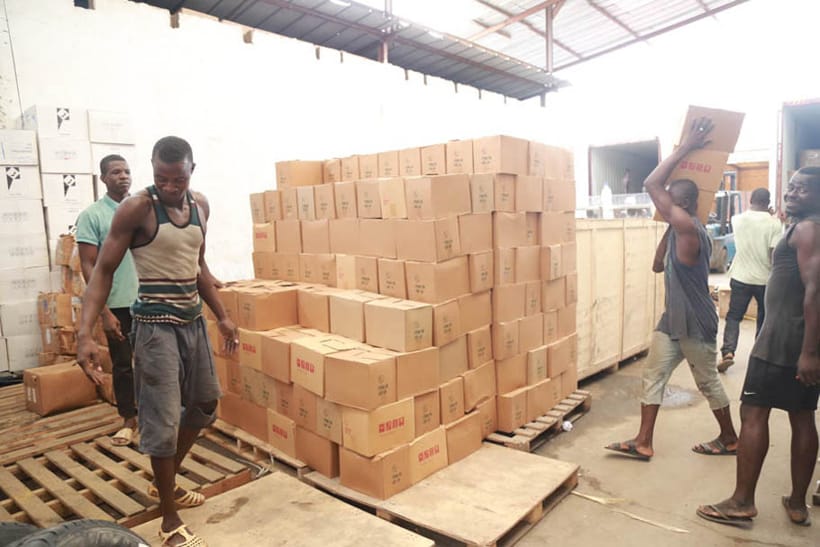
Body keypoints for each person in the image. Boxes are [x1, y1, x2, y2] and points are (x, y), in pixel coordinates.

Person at [77, 137, 238, 547]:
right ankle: (169, 521)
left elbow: (197, 266)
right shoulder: (138, 208)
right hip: (154, 328)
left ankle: (165, 481)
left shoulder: (201, 206)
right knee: (162, 421)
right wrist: (85, 332)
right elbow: (102, 271)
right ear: (151, 169)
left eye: (178, 179)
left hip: (192, 323)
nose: (169, 186)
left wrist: (222, 316)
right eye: (161, 178)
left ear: (191, 171)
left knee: (205, 404)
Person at [605, 117, 738, 460]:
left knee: (707, 382)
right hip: (672, 321)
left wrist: (687, 147)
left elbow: (652, 182)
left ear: (686, 206)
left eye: (671, 203)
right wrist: (668, 227)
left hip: (696, 322)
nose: (663, 206)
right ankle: (643, 441)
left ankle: (730, 438)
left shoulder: (690, 229)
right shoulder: (678, 230)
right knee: (653, 375)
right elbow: (656, 265)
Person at [697, 168, 820, 527]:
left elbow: (815, 291)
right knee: (802, 415)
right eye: (791, 187)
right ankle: (797, 504)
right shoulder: (802, 227)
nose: (791, 193)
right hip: (797, 340)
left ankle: (741, 501)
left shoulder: (808, 230)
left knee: (753, 412)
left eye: (802, 189)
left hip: (782, 341)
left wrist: (809, 353)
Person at [76, 155, 139, 446]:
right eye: (115, 172)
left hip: (149, 302)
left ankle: (158, 416)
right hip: (117, 304)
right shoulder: (93, 216)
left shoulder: (141, 209)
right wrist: (104, 311)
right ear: (103, 178)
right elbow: (88, 266)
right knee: (123, 364)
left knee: (156, 362)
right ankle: (129, 420)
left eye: (126, 171)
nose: (123, 176)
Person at [718, 188, 783, 372]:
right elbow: (774, 255)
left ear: (751, 200)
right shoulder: (775, 224)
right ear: (768, 202)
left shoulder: (737, 219)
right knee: (763, 319)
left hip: (741, 277)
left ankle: (728, 352)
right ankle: (758, 357)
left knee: (734, 316)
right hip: (765, 280)